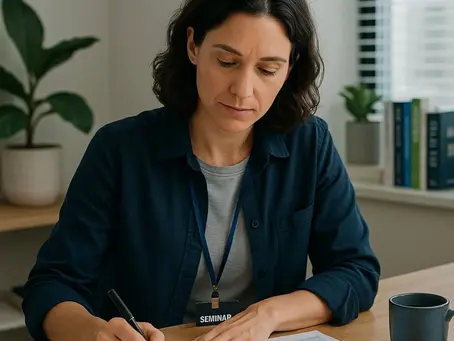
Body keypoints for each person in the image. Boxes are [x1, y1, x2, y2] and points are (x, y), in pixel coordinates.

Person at [21, 0, 381, 340]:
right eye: (227, 62)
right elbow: (52, 284)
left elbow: (356, 270)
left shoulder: (310, 145)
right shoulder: (120, 150)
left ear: (290, 65)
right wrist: (93, 332)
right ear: (193, 45)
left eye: (268, 69)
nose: (243, 90)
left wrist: (267, 315)